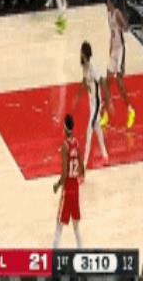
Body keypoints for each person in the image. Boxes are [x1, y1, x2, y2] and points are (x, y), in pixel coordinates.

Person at [101, 0, 136, 129]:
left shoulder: (117, 13)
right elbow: (112, 33)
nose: (106, 3)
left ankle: (130, 110)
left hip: (121, 50)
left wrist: (124, 23)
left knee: (119, 83)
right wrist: (110, 49)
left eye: (107, 1)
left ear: (111, 3)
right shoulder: (108, 15)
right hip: (114, 51)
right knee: (107, 82)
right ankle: (105, 114)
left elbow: (125, 27)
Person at [73, 41, 111, 168]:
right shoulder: (84, 67)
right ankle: (105, 156)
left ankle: (83, 165)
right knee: (97, 129)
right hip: (91, 103)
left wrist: (108, 101)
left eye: (81, 51)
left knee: (89, 131)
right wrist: (78, 96)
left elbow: (102, 81)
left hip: (97, 103)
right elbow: (84, 82)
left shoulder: (93, 68)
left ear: (84, 53)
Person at [52, 114, 84, 248]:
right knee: (76, 226)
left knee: (59, 224)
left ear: (64, 128)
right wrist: (80, 177)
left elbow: (64, 173)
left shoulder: (65, 146)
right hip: (75, 187)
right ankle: (81, 250)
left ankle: (55, 253)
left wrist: (57, 184)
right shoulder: (77, 143)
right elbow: (82, 166)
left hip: (68, 188)